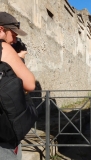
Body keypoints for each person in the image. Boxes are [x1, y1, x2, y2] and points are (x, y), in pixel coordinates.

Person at [0, 12, 35, 160]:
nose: (14, 39)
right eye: (13, 34)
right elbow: (30, 84)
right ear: (1, 30)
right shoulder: (3, 48)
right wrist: (18, 59)